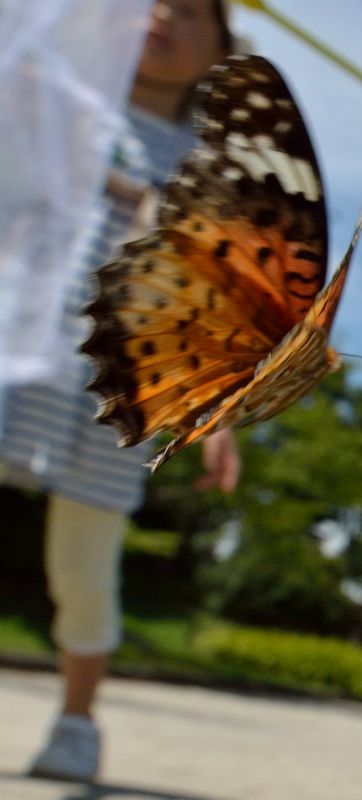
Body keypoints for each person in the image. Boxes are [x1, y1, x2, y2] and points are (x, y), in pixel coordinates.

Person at [2, 0, 242, 782]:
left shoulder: (212, 169)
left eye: (192, 11)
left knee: (85, 558)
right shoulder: (55, 96)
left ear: (220, 49)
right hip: (18, 331)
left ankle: (77, 721)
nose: (164, 15)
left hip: (122, 382)